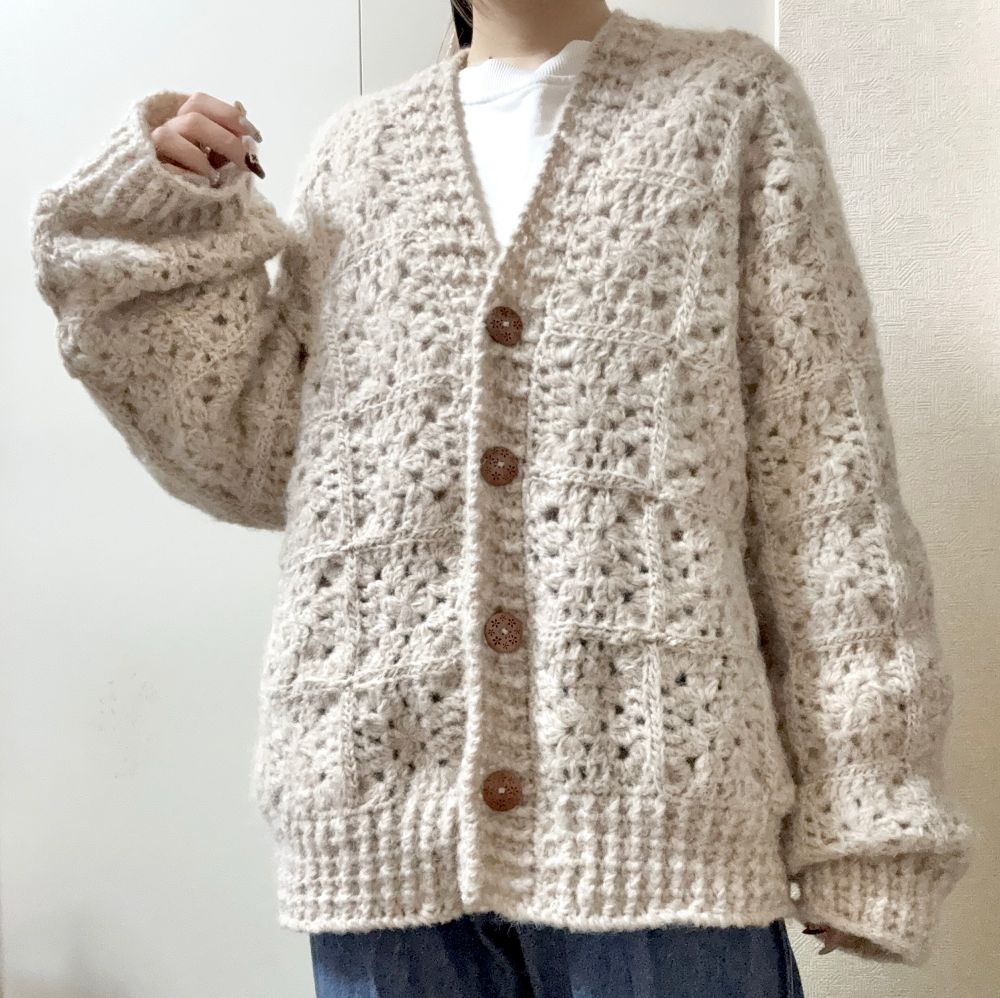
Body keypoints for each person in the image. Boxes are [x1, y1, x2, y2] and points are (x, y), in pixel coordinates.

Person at [30, 1, 976, 995]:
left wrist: (871, 814)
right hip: (380, 837)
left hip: (664, 829)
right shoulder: (356, 154)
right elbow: (272, 464)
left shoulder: (730, 104)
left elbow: (822, 480)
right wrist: (164, 228)